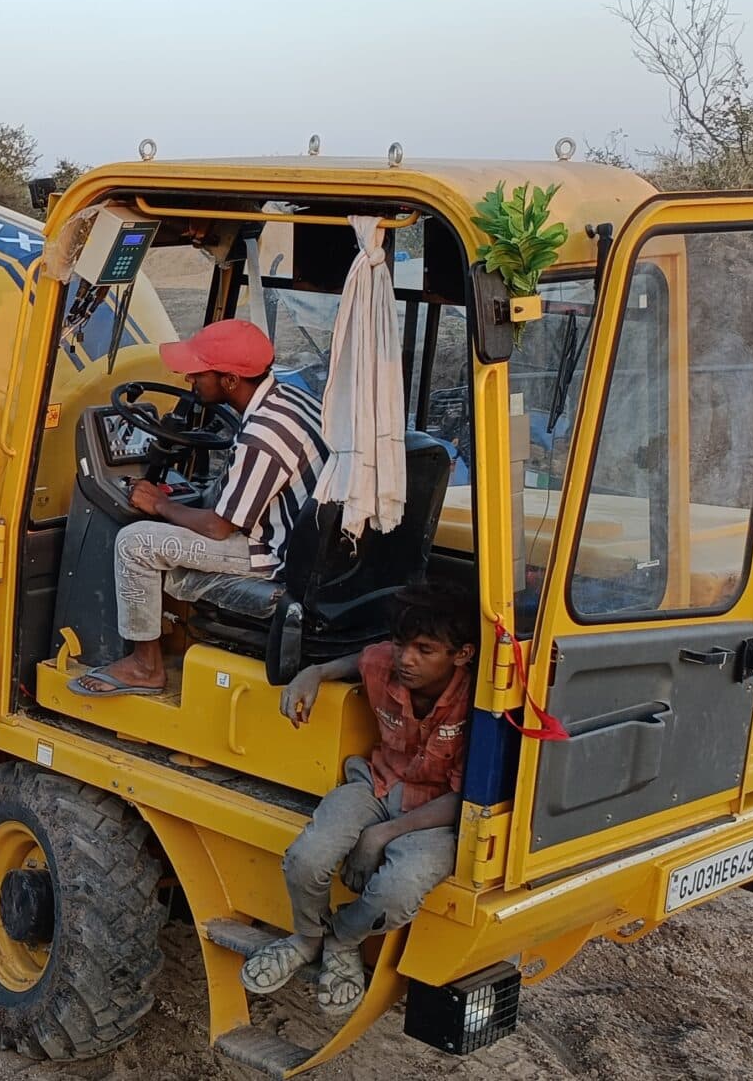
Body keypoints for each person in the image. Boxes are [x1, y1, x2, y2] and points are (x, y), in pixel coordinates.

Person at [244, 578, 479, 1014]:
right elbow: (364, 658)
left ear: (461, 655)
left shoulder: (479, 702)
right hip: (376, 783)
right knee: (307, 857)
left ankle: (342, 939)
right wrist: (314, 673)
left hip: (436, 812)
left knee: (397, 891)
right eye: (401, 645)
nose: (406, 660)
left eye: (425, 650)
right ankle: (306, 939)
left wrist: (381, 836)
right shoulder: (384, 663)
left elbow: (463, 795)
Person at [69, 319, 328, 696]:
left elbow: (217, 528)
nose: (189, 379)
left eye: (198, 373)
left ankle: (145, 666)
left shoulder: (263, 438)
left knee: (134, 543)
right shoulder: (293, 398)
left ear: (230, 381)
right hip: (300, 535)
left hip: (276, 555)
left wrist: (158, 502)